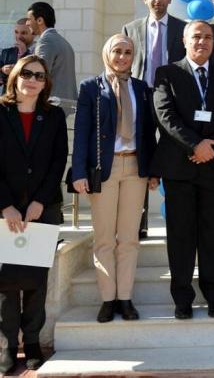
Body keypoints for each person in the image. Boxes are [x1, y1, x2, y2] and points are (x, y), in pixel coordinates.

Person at [71, 34, 158, 323]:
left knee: (129, 238)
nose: (122, 57)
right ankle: (108, 299)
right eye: (117, 51)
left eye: (128, 52)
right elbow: (82, 132)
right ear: (107, 53)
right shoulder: (91, 87)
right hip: (103, 169)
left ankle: (125, 298)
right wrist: (79, 172)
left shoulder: (141, 88)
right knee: (105, 238)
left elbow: (148, 132)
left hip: (135, 168)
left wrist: (153, 170)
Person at [151, 21, 214, 320]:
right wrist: (195, 145)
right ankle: (182, 298)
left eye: (208, 37)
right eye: (196, 36)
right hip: (178, 169)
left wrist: (211, 148)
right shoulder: (167, 73)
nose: (202, 41)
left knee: (213, 234)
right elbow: (165, 115)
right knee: (181, 236)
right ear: (184, 40)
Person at [0, 56, 67, 373]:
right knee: (6, 282)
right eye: (26, 73)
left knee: (36, 280)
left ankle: (32, 343)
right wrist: (5, 205)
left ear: (46, 83)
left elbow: (58, 161)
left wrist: (40, 200)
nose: (32, 80)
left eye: (39, 76)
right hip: (6, 210)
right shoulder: (1, 112)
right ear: (15, 77)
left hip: (42, 209)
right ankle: (7, 346)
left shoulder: (53, 117)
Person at [123, 0, 186, 238]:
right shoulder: (130, 29)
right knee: (141, 157)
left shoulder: (183, 28)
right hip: (141, 99)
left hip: (173, 100)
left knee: (174, 154)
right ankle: (139, 222)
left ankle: (177, 222)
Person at [122, 0, 186, 88]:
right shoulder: (130, 30)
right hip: (139, 91)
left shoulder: (183, 28)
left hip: (173, 91)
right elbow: (123, 63)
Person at [25, 2, 77, 100]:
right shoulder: (63, 41)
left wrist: (16, 71)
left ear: (40, 20)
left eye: (29, 19)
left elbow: (38, 73)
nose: (27, 23)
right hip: (66, 104)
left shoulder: (46, 41)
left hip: (52, 103)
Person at [0, 18, 34, 91]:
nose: (18, 36)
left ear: (33, 34)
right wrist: (2, 70)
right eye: (16, 32)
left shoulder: (38, 53)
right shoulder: (7, 53)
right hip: (8, 96)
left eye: (23, 33)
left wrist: (23, 53)